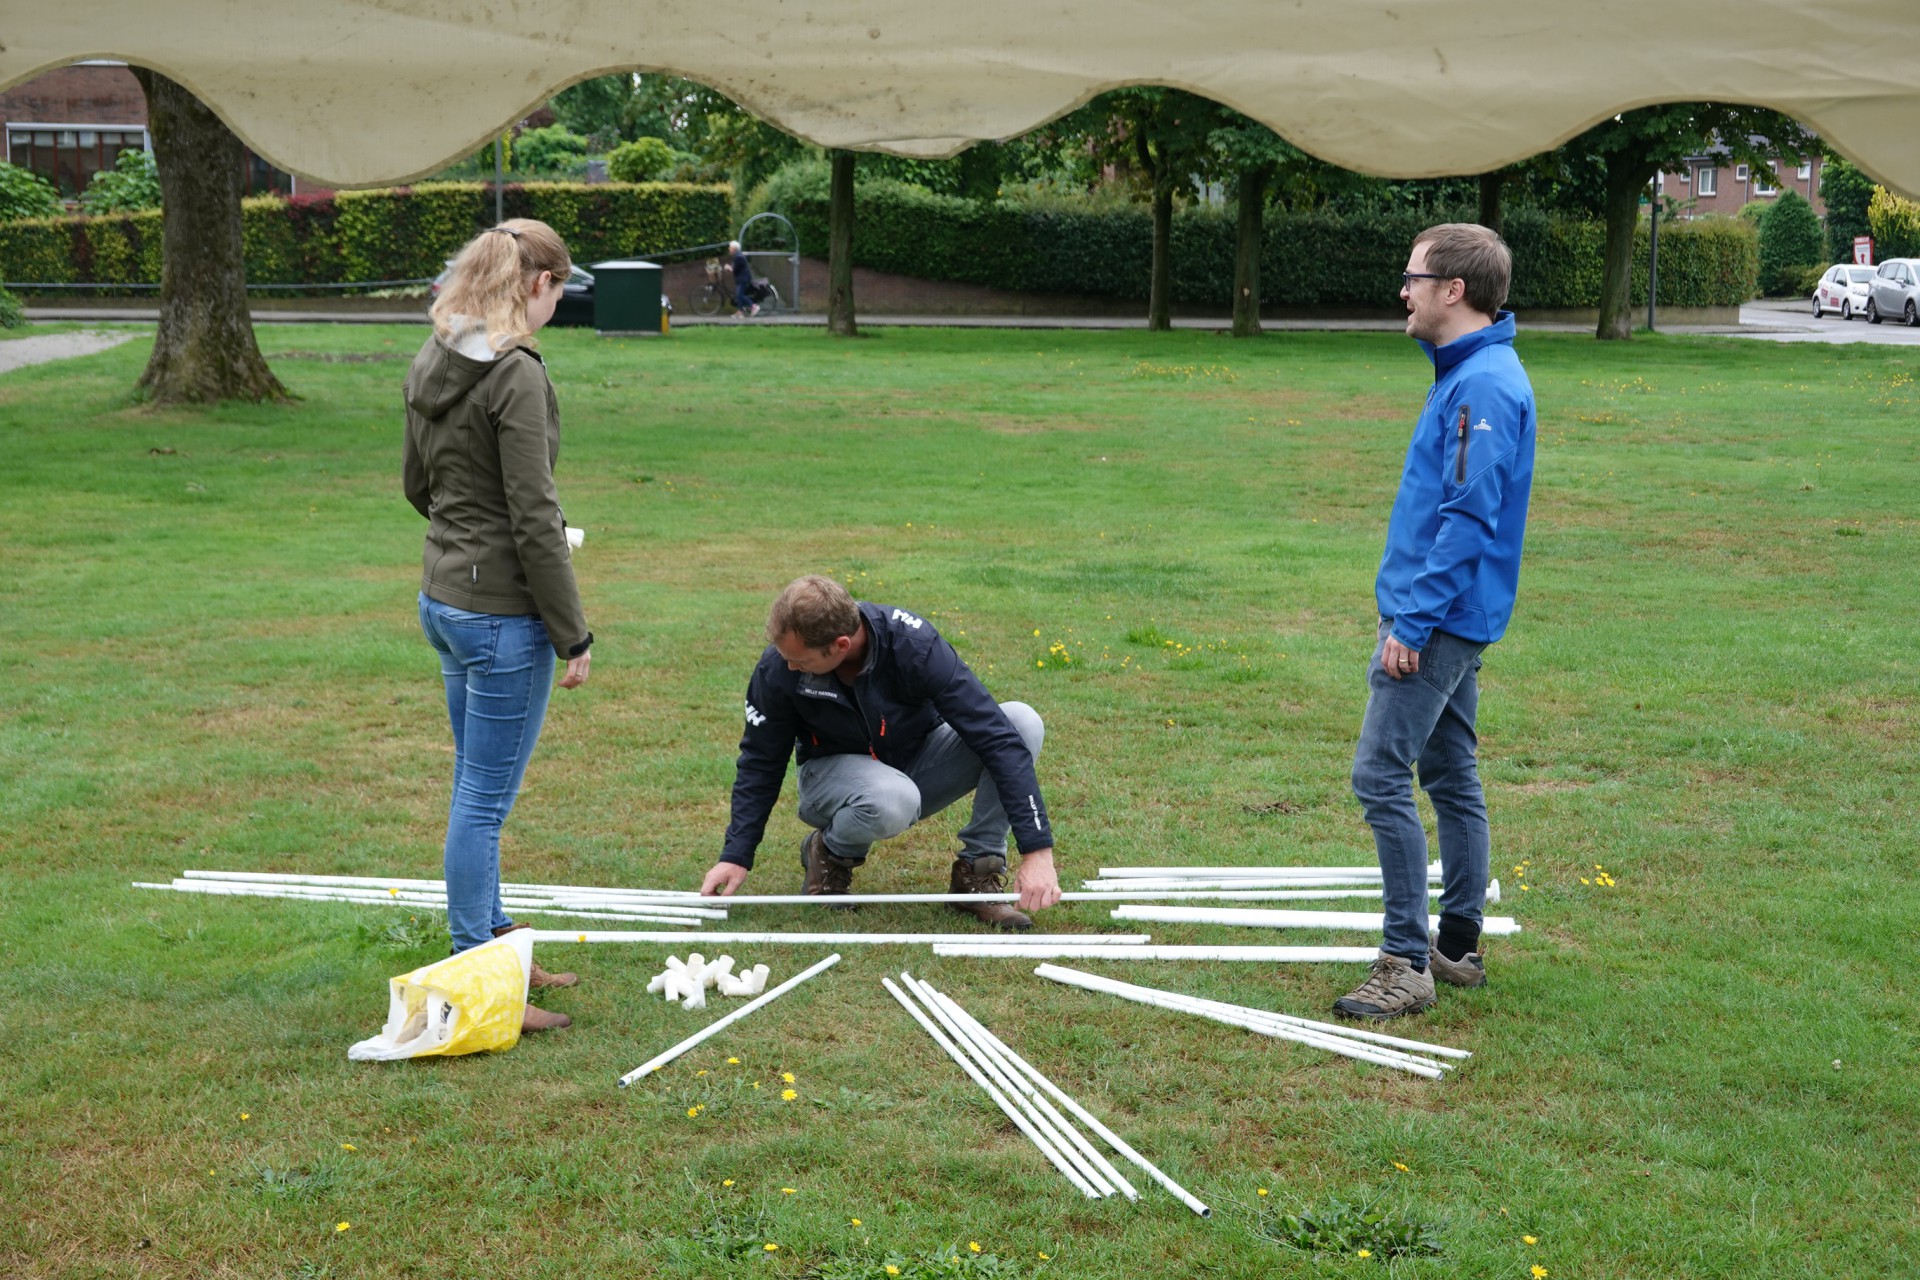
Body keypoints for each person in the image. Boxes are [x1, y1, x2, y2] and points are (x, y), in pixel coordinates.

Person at [1334, 223, 1537, 1021]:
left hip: (1440, 616)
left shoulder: (1483, 386)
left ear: (1453, 290)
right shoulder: (1467, 373)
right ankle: (1456, 947)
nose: (1403, 292)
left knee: (1379, 775)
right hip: (1450, 610)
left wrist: (1411, 626)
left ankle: (1405, 963)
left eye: (1413, 278)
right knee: (1450, 773)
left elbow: (1468, 519)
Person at [402, 218, 594, 1034]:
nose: (557, 307)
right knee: (482, 802)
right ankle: (478, 975)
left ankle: (500, 942)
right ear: (537, 285)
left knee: (475, 790)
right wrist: (572, 633)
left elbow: (417, 485)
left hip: (444, 600)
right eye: (559, 292)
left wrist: (464, 540)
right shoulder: (515, 373)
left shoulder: (436, 352)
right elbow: (534, 514)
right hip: (498, 618)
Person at [700, 575, 1061, 929]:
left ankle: (976, 874)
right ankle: (830, 852)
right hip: (830, 779)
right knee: (892, 797)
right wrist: (736, 855)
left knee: (1021, 723)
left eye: (802, 661)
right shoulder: (778, 668)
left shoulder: (913, 645)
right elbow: (760, 763)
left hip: (913, 763)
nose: (791, 666)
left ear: (841, 645)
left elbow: (996, 738)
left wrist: (1037, 851)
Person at [728, 240, 759, 318]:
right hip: (741, 278)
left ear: (734, 248)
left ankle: (753, 306)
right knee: (739, 295)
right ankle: (740, 312)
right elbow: (736, 266)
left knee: (739, 295)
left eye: (730, 247)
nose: (729, 249)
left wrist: (728, 268)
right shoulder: (737, 255)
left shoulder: (738, 257)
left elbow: (734, 269)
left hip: (743, 279)